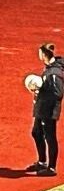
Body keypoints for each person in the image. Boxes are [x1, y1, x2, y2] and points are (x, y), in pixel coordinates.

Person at [29, 41, 63, 176]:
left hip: (49, 110)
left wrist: (41, 90)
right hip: (42, 107)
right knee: (36, 132)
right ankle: (42, 162)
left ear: (44, 54)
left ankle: (51, 167)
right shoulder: (50, 68)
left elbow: (58, 93)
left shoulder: (54, 73)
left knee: (50, 137)